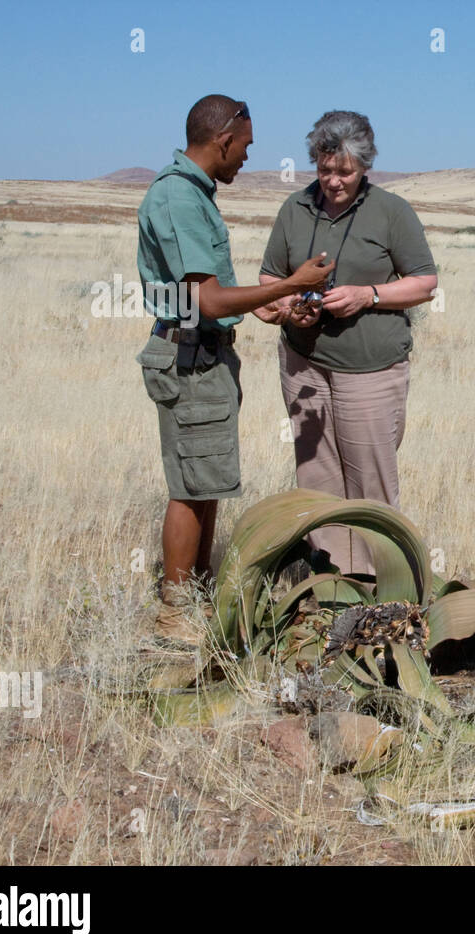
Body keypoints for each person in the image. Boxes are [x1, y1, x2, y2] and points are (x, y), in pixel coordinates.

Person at [136, 94, 334, 645]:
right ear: (223, 140)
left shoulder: (192, 192)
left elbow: (213, 296)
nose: (247, 157)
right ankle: (177, 613)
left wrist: (266, 304)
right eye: (244, 147)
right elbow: (206, 301)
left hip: (204, 353)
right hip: (190, 357)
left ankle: (196, 595)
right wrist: (289, 285)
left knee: (205, 483)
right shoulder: (178, 197)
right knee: (189, 485)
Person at [255, 110, 437, 577]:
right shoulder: (295, 208)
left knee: (369, 479)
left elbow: (423, 283)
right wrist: (291, 303)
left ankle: (386, 586)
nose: (333, 181)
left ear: (365, 166)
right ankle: (335, 582)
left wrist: (367, 295)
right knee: (316, 477)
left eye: (345, 171)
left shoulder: (392, 211)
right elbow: (269, 278)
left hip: (370, 368)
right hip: (304, 363)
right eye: (324, 168)